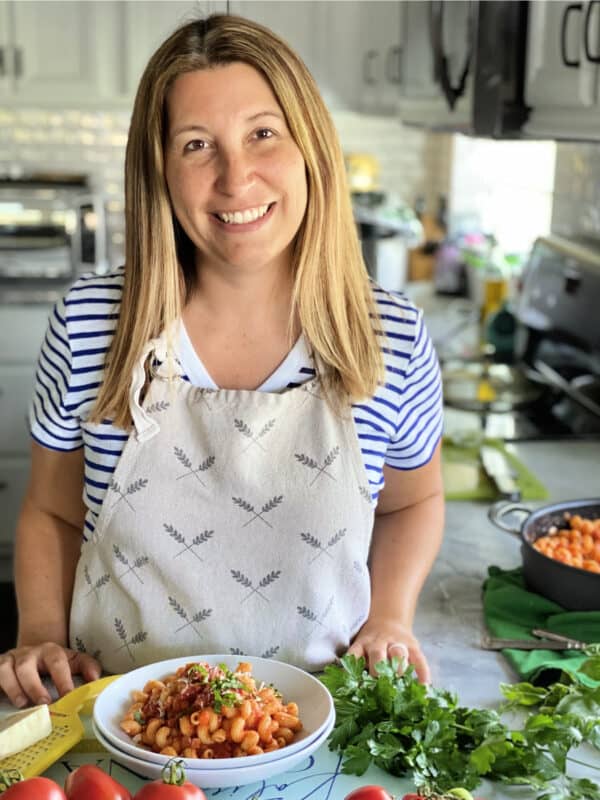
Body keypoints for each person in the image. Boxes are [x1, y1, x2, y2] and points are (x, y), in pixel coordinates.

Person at [0, 14, 444, 709]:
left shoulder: (387, 333)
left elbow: (414, 502)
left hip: (319, 725)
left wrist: (390, 616)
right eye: (197, 144)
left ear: (310, 149)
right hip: (113, 724)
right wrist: (40, 633)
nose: (236, 179)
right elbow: (52, 511)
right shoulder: (91, 324)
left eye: (262, 133)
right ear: (161, 169)